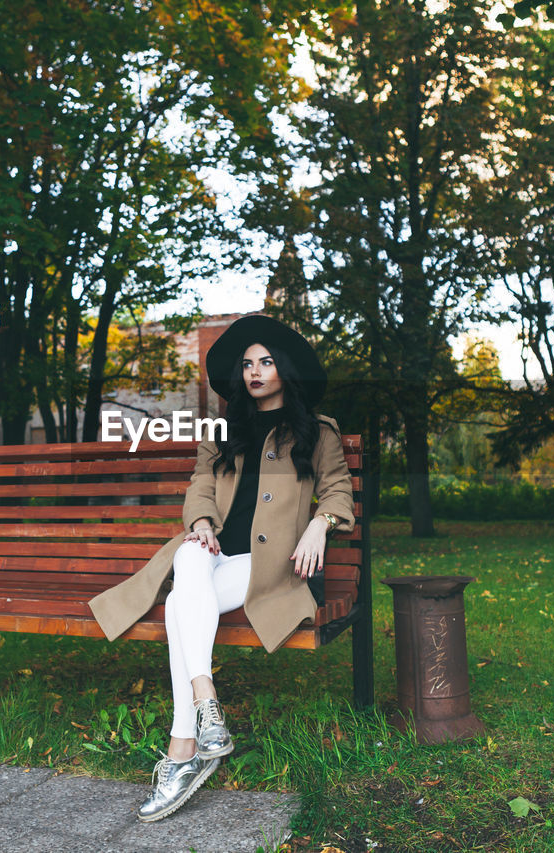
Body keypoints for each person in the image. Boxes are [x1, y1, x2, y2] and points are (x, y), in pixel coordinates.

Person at [88, 314, 355, 822]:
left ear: (285, 370)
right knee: (189, 553)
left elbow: (339, 489)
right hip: (213, 557)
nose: (255, 371)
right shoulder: (223, 431)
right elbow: (200, 485)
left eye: (267, 362)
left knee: (174, 611)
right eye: (248, 363)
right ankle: (205, 703)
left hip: (267, 565)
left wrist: (321, 524)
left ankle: (183, 748)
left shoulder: (316, 432)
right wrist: (203, 522)